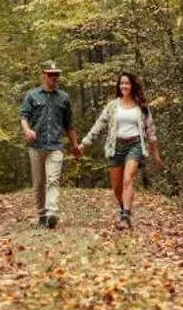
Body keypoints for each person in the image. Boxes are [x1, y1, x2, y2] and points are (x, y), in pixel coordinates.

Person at [77, 70, 162, 228]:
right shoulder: (113, 106)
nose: (124, 86)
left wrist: (155, 153)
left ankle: (126, 216)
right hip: (115, 146)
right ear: (119, 86)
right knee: (116, 187)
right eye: (122, 83)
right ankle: (124, 209)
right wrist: (84, 143)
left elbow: (151, 130)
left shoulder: (141, 107)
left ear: (132, 85)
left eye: (127, 83)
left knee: (128, 179)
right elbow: (99, 125)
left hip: (135, 145)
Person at [20, 60, 79, 229]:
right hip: (36, 146)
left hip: (56, 146)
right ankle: (42, 215)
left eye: (56, 74)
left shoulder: (64, 98)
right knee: (39, 184)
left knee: (53, 179)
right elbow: (24, 116)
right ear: (43, 75)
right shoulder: (32, 95)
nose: (54, 77)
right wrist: (27, 130)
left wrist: (75, 145)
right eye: (51, 74)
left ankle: (52, 213)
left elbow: (69, 125)